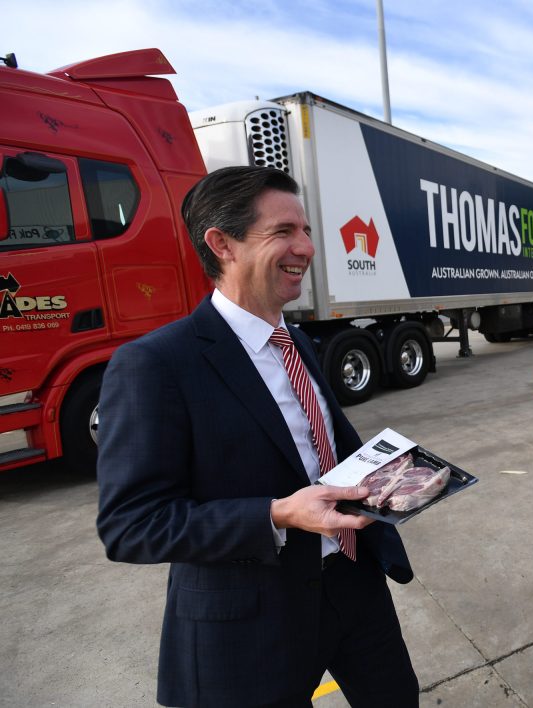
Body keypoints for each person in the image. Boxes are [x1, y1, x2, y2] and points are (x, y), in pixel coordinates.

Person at [96, 166, 418, 707]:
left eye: (307, 231)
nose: (307, 248)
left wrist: (394, 475)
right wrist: (278, 514)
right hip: (252, 616)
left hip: (353, 584)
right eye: (284, 232)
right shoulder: (155, 365)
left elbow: (321, 450)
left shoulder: (297, 342)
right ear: (222, 244)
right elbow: (131, 526)